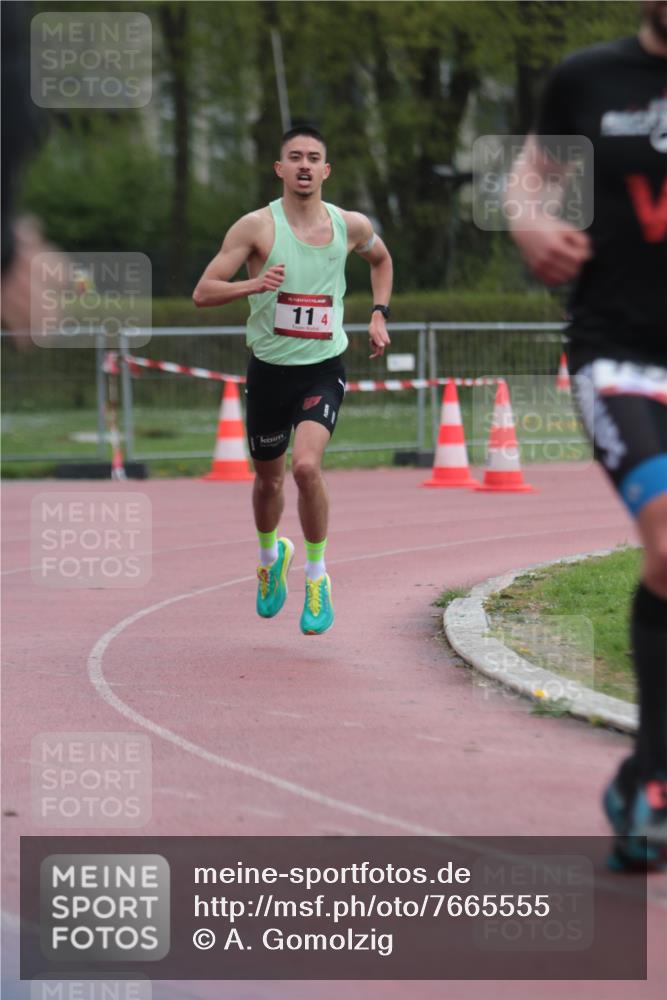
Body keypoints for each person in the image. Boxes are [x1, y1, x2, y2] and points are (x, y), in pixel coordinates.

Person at [507, 1, 667, 868]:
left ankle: (639, 775)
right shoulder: (587, 78)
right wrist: (529, 220)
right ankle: (656, 788)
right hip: (618, 356)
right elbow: (528, 176)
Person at [193, 125, 393, 635]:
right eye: (295, 157)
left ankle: (317, 575)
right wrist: (254, 285)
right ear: (280, 168)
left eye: (314, 158)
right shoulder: (256, 228)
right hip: (268, 372)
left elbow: (381, 260)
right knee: (268, 480)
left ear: (326, 170)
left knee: (305, 467)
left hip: (323, 369)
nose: (305, 165)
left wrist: (378, 313)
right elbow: (203, 292)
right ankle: (270, 559)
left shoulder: (350, 225)